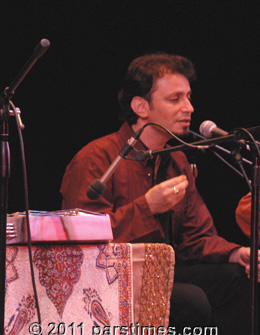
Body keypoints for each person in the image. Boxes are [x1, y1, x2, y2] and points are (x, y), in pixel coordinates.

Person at [60, 53, 254, 332]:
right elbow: (80, 242)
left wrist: (236, 253)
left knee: (237, 278)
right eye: (175, 99)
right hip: (106, 280)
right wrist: (147, 207)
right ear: (141, 106)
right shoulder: (97, 157)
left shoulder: (177, 161)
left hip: (161, 273)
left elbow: (195, 238)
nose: (189, 107)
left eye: (188, 97)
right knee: (191, 300)